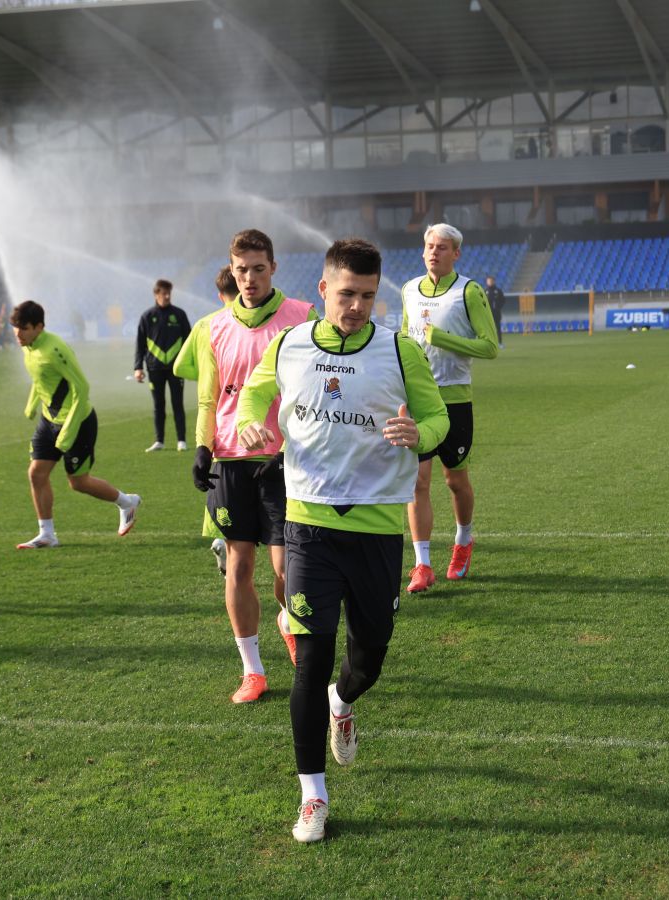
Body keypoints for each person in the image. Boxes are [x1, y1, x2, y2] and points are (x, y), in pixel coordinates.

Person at [236, 237, 448, 844]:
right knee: (309, 660)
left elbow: (439, 421)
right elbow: (255, 389)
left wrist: (418, 432)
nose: (356, 306)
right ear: (323, 289)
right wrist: (254, 417)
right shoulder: (290, 342)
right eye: (346, 293)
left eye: (367, 296)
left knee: (369, 657)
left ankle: (342, 701)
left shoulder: (399, 350)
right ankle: (312, 797)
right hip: (307, 525)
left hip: (378, 526)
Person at [182, 229, 316, 704]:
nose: (250, 278)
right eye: (242, 270)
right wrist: (202, 447)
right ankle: (252, 670)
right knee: (238, 564)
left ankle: (287, 620)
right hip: (230, 462)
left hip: (283, 461)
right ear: (231, 270)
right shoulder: (211, 326)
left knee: (288, 570)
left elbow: (313, 391)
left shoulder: (301, 317)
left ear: (273, 267)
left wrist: (290, 446)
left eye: (259, 268)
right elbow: (207, 397)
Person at [400, 223, 499, 592]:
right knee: (417, 483)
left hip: (455, 400)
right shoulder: (410, 290)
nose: (433, 252)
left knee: (455, 481)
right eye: (428, 245)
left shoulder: (468, 291)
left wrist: (441, 338)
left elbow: (489, 346)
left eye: (442, 247)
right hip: (420, 399)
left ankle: (462, 541)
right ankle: (422, 565)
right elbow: (409, 340)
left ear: (456, 253)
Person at [11, 300, 141, 548]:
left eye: (24, 328)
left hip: (78, 421)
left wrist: (69, 430)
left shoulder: (55, 349)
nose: (18, 334)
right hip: (49, 421)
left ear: (39, 327)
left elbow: (81, 387)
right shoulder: (27, 346)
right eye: (15, 328)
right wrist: (32, 404)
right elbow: (41, 381)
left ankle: (127, 502)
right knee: (36, 474)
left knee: (78, 482)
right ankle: (47, 534)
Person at [175, 265, 236, 576]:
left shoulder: (204, 325)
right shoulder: (240, 324)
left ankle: (219, 535)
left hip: (213, 417)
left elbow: (179, 367)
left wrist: (206, 376)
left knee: (216, 480)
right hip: (248, 418)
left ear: (219, 294)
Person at [133, 279, 192, 452]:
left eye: (169, 293)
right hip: (154, 368)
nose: (166, 297)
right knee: (158, 405)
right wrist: (138, 367)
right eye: (163, 293)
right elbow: (140, 344)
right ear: (156, 294)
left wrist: (190, 364)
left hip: (176, 368)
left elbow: (189, 341)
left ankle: (181, 440)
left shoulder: (179, 315)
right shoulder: (147, 316)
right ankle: (159, 441)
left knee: (177, 404)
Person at [483, 275, 506, 348]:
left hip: (496, 313)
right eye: (488, 281)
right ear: (487, 282)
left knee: (498, 328)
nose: (490, 282)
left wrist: (498, 307)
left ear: (494, 281)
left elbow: (503, 300)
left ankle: (500, 343)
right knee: (488, 329)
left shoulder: (498, 291)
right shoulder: (485, 291)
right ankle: (489, 343)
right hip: (487, 314)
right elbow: (481, 301)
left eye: (491, 281)